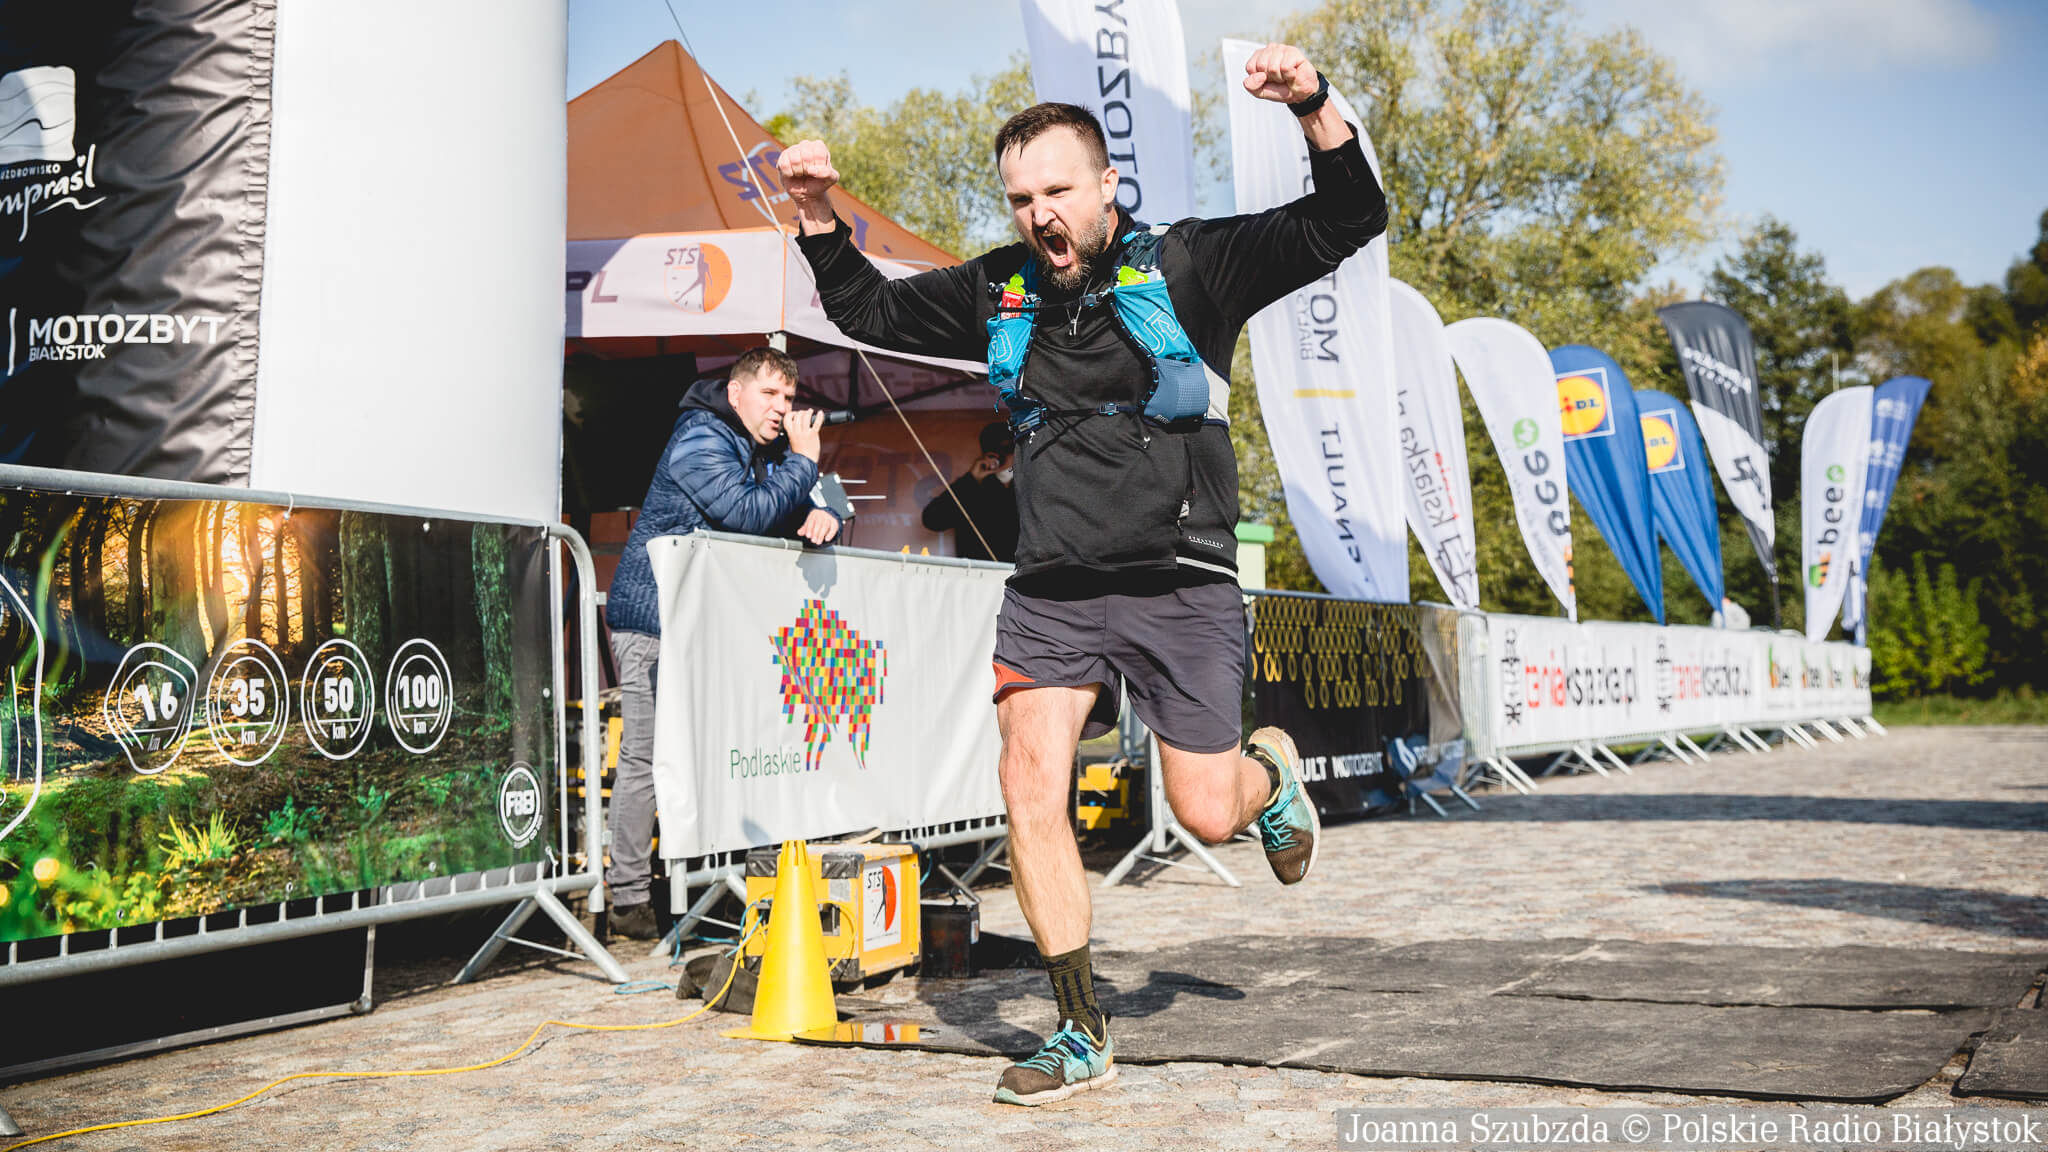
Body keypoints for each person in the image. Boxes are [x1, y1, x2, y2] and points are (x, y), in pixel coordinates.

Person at [780, 43, 1385, 1105]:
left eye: (1057, 192)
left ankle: (1270, 775)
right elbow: (867, 314)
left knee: (1206, 810)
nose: (1039, 215)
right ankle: (1079, 1029)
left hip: (1179, 579)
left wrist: (1314, 106)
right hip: (1051, 589)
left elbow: (1348, 218)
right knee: (1027, 782)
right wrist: (818, 211)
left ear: (1107, 185)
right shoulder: (999, 288)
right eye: (1021, 199)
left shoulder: (1191, 265)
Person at [602, 346, 841, 940]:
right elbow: (745, 513)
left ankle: (717, 883)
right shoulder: (700, 437)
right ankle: (628, 898)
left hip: (711, 627)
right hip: (654, 620)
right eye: (769, 394)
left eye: (789, 397)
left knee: (724, 752)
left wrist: (828, 516)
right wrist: (804, 463)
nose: (782, 408)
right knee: (647, 756)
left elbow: (822, 503)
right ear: (736, 394)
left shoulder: (769, 450)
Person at [921, 420, 1020, 562]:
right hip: (977, 571)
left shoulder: (1031, 486)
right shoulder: (971, 486)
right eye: (994, 448)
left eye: (1007, 448)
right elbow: (932, 520)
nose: (1001, 455)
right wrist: (970, 479)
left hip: (1019, 571)